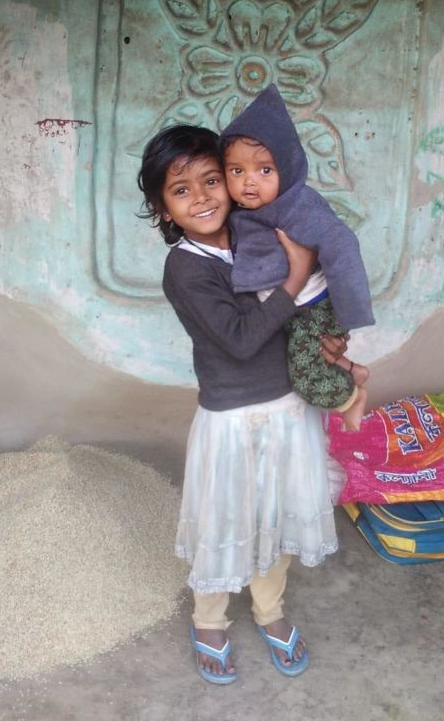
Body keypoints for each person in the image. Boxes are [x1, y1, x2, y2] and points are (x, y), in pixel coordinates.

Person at [137, 124, 344, 685]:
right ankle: (209, 621)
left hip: (289, 407)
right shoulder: (186, 267)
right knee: (223, 520)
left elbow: (305, 312)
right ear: (163, 207)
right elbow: (240, 339)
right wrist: (295, 276)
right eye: (181, 190)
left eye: (212, 180)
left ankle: (270, 610)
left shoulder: (258, 234)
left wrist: (329, 345)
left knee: (276, 516)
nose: (202, 197)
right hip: (231, 417)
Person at [220, 84, 375, 432]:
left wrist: (350, 311)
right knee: (302, 355)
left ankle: (351, 397)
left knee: (305, 377)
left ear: (286, 168)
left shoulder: (296, 206)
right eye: (236, 171)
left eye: (264, 170)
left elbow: (341, 243)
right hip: (286, 307)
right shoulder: (241, 212)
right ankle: (354, 370)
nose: (249, 182)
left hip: (313, 307)